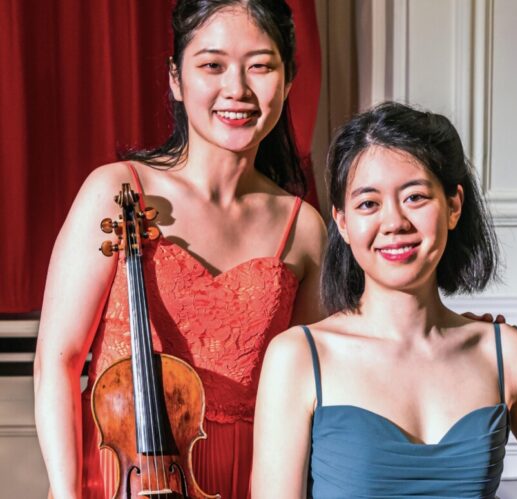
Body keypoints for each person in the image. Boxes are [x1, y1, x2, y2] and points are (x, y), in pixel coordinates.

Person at [32, 1, 327, 498]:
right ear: (175, 78)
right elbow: (57, 364)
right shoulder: (117, 190)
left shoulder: (304, 229)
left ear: (289, 79)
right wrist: (65, 494)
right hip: (121, 476)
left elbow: (311, 390)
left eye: (260, 66)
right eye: (212, 65)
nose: (237, 89)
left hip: (247, 482)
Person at [252, 102, 517, 498]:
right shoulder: (298, 357)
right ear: (342, 223)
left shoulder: (506, 353)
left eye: (415, 197)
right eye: (368, 204)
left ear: (454, 207)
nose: (394, 223)